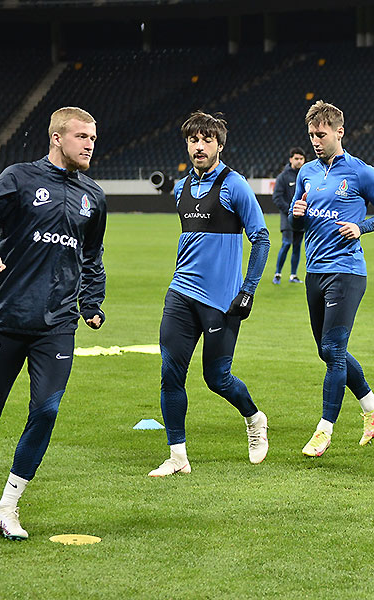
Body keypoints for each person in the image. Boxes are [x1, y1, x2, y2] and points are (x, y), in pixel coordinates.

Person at [0, 107, 107, 540]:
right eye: (81, 136)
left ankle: (7, 507)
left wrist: (91, 302)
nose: (89, 144)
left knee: (46, 410)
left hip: (57, 324)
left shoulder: (94, 196)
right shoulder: (19, 178)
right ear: (57, 138)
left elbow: (92, 256)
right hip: (7, 318)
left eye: (93, 138)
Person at [149, 111, 270, 476]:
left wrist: (248, 290)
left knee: (217, 378)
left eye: (206, 140)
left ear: (219, 144)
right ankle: (177, 457)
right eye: (193, 140)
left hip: (221, 301)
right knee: (170, 374)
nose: (199, 147)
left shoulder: (235, 185)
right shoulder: (180, 188)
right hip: (180, 292)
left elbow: (261, 238)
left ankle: (255, 419)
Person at [290, 100, 374, 457]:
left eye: (321, 134)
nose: (315, 141)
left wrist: (360, 227)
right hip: (315, 271)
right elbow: (296, 222)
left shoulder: (361, 172)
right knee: (325, 350)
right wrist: (297, 214)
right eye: (311, 135)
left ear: (339, 132)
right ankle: (372, 407)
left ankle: (324, 430)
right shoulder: (306, 172)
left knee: (334, 350)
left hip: (347, 271)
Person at [271, 147, 306, 284]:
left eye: (301, 159)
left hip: (301, 217)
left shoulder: (306, 176)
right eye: (296, 158)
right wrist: (291, 210)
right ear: (291, 159)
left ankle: (293, 275)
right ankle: (278, 273)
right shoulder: (283, 177)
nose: (299, 161)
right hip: (287, 218)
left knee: (297, 246)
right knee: (286, 244)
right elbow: (277, 197)